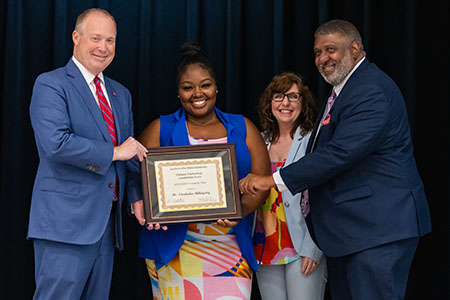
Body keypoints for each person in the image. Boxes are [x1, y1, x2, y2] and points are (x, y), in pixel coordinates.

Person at [239, 19, 432, 300]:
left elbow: (339, 154)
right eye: (317, 52)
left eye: (331, 49)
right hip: (353, 233)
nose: (322, 58)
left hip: (377, 229)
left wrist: (271, 179)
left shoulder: (370, 90)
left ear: (355, 48)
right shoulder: (345, 91)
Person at [133, 41, 271, 300]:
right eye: (188, 88)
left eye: (205, 85)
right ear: (178, 92)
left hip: (230, 247)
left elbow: (261, 184)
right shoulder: (159, 129)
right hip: (174, 249)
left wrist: (238, 210)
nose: (197, 93)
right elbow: (137, 178)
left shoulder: (242, 127)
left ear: (216, 87)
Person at [28, 8, 148, 300]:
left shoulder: (121, 94)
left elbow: (130, 159)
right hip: (64, 226)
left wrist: (138, 197)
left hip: (106, 227)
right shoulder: (51, 84)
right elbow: (56, 144)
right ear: (76, 37)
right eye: (96, 38)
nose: (103, 47)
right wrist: (116, 152)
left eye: (110, 40)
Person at [253, 72, 326, 300]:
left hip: (302, 247)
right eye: (279, 96)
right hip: (264, 245)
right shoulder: (257, 141)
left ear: (303, 104)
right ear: (269, 103)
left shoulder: (314, 141)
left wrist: (314, 249)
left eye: (293, 97)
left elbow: (323, 198)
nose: (285, 103)